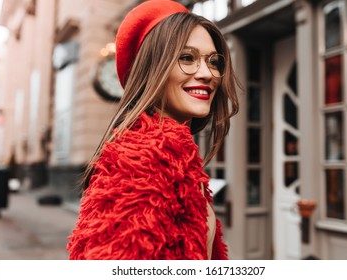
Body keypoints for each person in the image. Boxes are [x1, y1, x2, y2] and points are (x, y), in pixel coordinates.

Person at [67, 0, 239, 260]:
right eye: (186, 58)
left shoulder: (174, 158)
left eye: (213, 61)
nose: (208, 74)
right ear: (151, 70)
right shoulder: (145, 160)